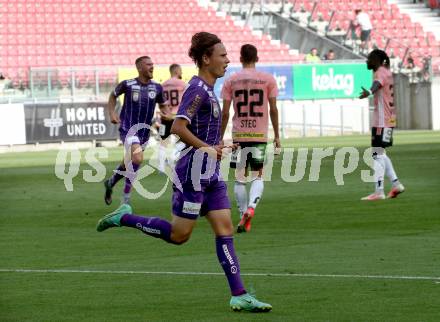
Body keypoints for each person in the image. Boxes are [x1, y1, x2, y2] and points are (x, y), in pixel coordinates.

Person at [96, 32, 272, 313]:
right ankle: (124, 217)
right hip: (192, 172)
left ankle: (239, 294)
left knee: (225, 229)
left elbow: (199, 132)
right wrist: (207, 148)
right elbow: (178, 127)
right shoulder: (198, 89)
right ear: (206, 58)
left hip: (210, 172)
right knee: (180, 235)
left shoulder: (209, 90)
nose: (227, 60)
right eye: (222, 55)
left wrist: (218, 146)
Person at [221, 44, 280, 233]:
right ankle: (252, 208)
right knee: (258, 175)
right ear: (257, 58)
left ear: (240, 58)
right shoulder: (268, 80)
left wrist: (221, 138)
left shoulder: (231, 80)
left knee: (239, 179)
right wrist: (277, 136)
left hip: (238, 135)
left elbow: (225, 113)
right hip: (259, 135)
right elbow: (273, 109)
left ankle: (242, 214)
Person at [103, 56, 170, 205]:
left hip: (144, 133)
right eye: (148, 65)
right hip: (128, 128)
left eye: (153, 64)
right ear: (139, 68)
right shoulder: (128, 84)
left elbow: (164, 106)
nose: (152, 67)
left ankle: (111, 182)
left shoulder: (157, 87)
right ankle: (125, 199)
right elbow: (112, 96)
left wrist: (166, 114)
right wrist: (112, 113)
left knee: (128, 162)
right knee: (138, 159)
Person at [359, 49, 405, 200]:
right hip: (390, 118)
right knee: (381, 153)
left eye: (369, 59)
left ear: (377, 60)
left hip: (381, 120)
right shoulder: (387, 71)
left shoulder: (379, 72)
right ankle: (396, 184)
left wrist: (369, 92)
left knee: (376, 154)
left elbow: (377, 84)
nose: (367, 61)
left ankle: (379, 191)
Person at [158, 64, 187, 173]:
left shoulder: (163, 85)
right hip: (177, 117)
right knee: (185, 140)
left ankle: (161, 168)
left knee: (163, 142)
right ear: (177, 71)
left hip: (165, 117)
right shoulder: (182, 84)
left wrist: (163, 112)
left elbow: (160, 102)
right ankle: (173, 157)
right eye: (181, 71)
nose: (182, 73)